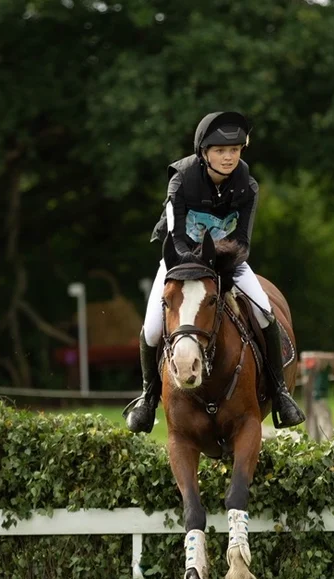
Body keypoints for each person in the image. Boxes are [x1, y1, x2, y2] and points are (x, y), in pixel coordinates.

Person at [123, 111, 306, 433]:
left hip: (225, 262)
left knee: (265, 313)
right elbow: (176, 236)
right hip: (179, 261)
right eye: (221, 151)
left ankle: (279, 393)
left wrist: (220, 266)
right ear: (204, 153)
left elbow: (243, 242)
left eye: (234, 150)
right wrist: (196, 266)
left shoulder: (247, 186)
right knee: (152, 328)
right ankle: (148, 399)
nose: (228, 157)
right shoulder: (181, 180)